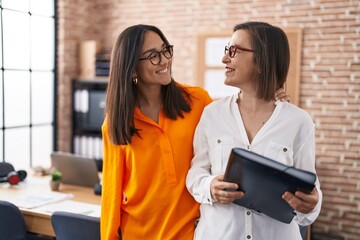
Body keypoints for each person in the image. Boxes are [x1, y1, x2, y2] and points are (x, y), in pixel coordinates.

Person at [101, 24, 290, 240]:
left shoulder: (197, 101)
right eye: (153, 56)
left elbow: (235, 126)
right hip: (137, 233)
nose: (164, 60)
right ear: (132, 68)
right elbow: (111, 193)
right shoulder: (115, 122)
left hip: (192, 233)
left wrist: (268, 99)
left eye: (165, 50)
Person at [186, 21, 322, 240]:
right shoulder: (212, 114)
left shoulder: (299, 121)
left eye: (234, 51)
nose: (224, 58)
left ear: (262, 61)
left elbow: (310, 188)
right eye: (226, 50)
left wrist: (311, 204)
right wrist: (210, 186)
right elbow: (195, 173)